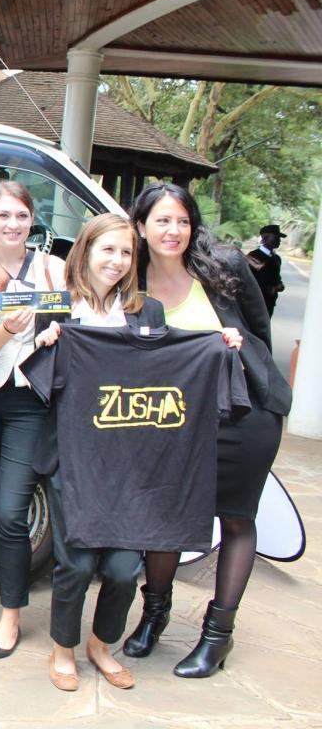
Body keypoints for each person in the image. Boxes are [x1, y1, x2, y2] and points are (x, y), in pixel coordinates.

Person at [123, 184, 291, 677]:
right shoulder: (130, 279)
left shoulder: (223, 268)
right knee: (165, 516)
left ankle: (218, 636)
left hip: (244, 414)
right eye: (162, 221)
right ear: (140, 226)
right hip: (174, 420)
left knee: (237, 519)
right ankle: (154, 616)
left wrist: (237, 348)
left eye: (182, 221)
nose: (173, 231)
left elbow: (261, 330)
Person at [31, 214, 173, 692]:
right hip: (72, 456)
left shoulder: (147, 311)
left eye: (126, 252)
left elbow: (167, 374)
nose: (116, 261)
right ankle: (63, 648)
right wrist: (45, 347)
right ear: (86, 251)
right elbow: (36, 382)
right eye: (107, 250)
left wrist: (220, 346)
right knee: (74, 562)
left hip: (130, 460)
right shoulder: (58, 306)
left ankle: (100, 642)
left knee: (124, 567)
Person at [0, 181, 66, 661]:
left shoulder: (54, 269)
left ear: (31, 219)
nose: (12, 224)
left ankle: (11, 616)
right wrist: (4, 329)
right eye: (3, 215)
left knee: (10, 512)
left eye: (21, 215)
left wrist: (52, 333)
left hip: (30, 400)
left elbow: (77, 322)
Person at [245, 224, 286, 317]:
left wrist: (279, 285)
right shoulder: (253, 256)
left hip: (270, 302)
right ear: (265, 238)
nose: (279, 240)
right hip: (255, 302)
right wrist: (268, 289)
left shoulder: (276, 258)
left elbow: (277, 279)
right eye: (276, 237)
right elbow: (247, 280)